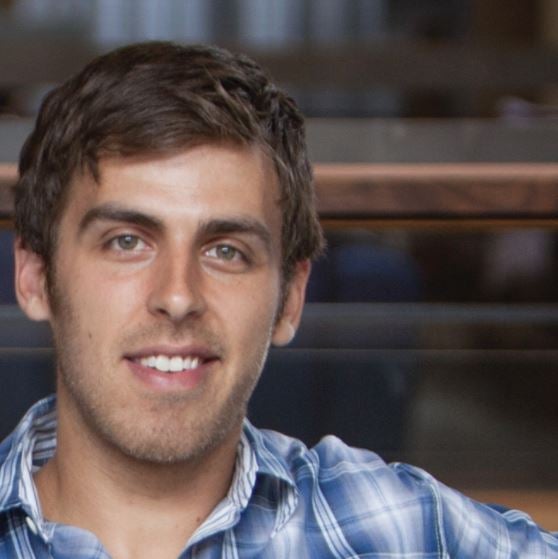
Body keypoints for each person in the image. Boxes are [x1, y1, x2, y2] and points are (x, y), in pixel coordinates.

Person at [0, 41, 556, 559]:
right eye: (126, 242)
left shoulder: (400, 529)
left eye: (226, 251)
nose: (177, 295)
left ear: (291, 297)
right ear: (34, 276)